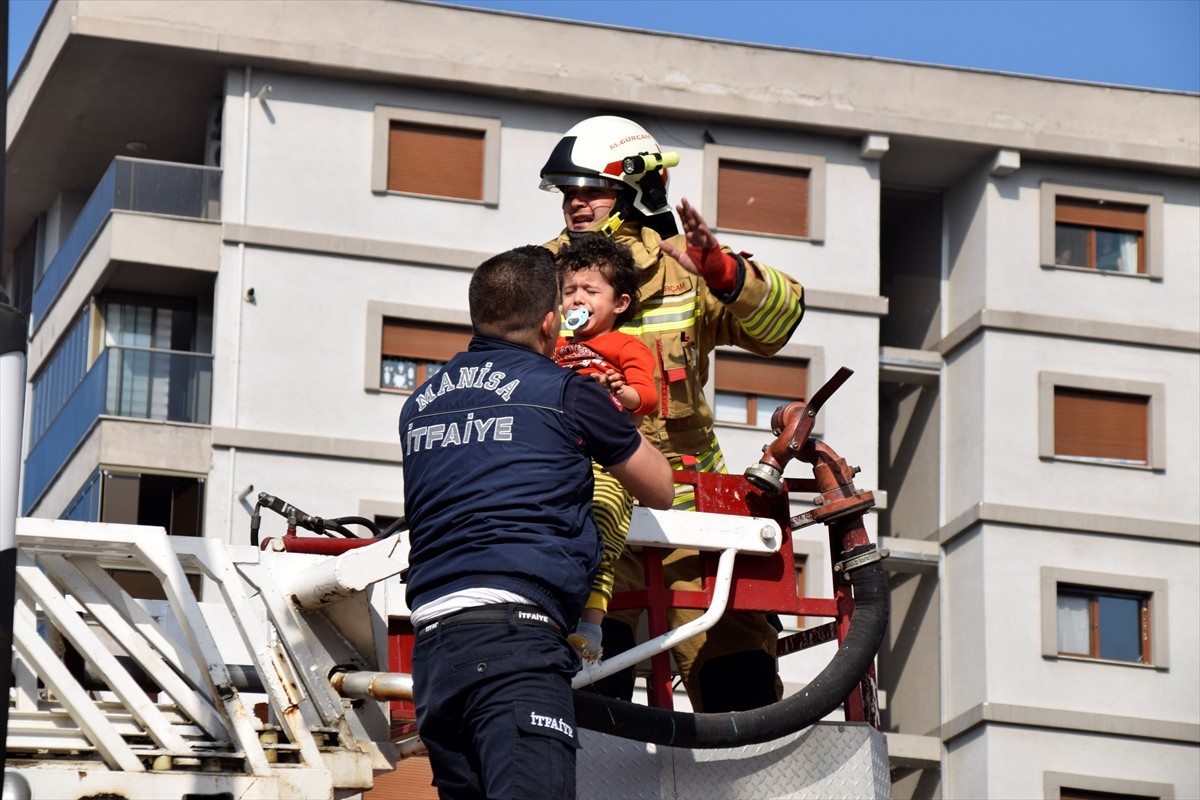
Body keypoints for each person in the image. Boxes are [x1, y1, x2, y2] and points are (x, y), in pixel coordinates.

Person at [539, 115, 807, 713]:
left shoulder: (684, 266)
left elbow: (781, 326)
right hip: (585, 514)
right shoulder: (541, 274)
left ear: (638, 187)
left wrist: (727, 275)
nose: (575, 204)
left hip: (690, 516)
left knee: (738, 681)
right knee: (587, 689)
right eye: (567, 193)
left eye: (591, 190)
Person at [399, 245, 674, 800]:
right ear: (551, 322)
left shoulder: (419, 403)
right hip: (516, 641)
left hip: (432, 651)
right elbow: (660, 487)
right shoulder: (566, 391)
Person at [551, 234, 657, 661]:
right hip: (557, 452)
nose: (578, 298)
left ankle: (591, 624)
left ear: (621, 304)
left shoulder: (625, 346)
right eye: (570, 290)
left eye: (591, 291)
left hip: (606, 461)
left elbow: (647, 398)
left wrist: (620, 389)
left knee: (604, 520)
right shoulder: (551, 343)